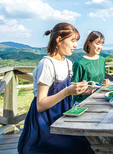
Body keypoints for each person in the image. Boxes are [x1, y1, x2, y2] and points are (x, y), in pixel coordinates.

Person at [18, 23, 93, 154]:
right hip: (45, 123)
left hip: (63, 116)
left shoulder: (67, 63)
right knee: (74, 147)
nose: (75, 45)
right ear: (59, 40)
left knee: (84, 143)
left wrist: (80, 88)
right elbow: (40, 105)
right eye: (73, 41)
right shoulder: (46, 64)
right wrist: (67, 92)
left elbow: (63, 87)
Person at [72, 31, 109, 104]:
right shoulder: (79, 63)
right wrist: (85, 92)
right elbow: (73, 89)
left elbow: (97, 79)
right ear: (89, 43)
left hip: (100, 98)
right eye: (97, 43)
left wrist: (103, 82)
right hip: (83, 102)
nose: (100, 47)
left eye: (102, 44)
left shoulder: (102, 60)